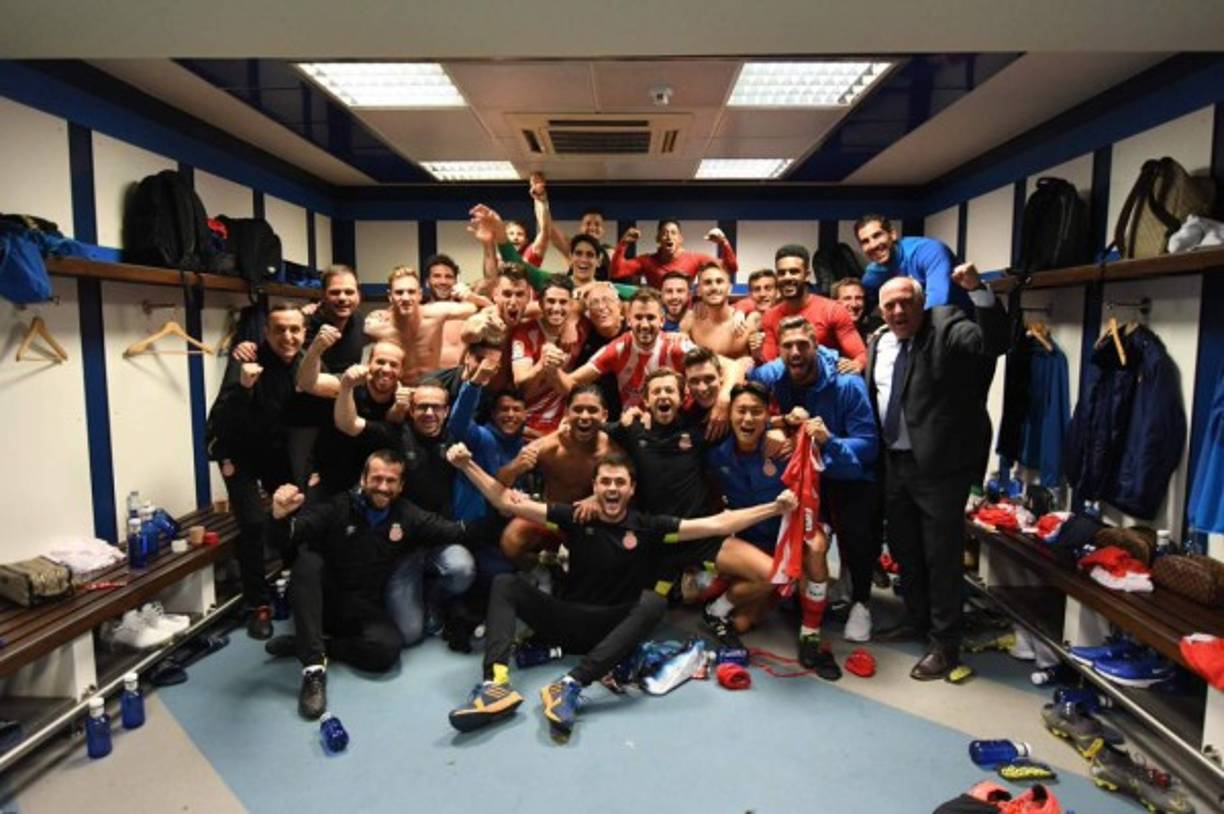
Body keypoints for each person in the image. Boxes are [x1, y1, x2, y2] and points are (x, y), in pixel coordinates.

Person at [444, 443, 796, 736]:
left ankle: (568, 686)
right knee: (505, 583)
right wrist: (466, 465)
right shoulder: (574, 517)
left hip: (614, 628)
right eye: (605, 482)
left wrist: (775, 508)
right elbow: (507, 502)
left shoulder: (650, 527)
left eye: (619, 482)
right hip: (566, 621)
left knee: (653, 603)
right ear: (594, 487)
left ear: (631, 489)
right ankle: (496, 686)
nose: (612, 488)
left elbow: (719, 523)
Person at [867, 268, 1009, 680]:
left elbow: (993, 343)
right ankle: (916, 620)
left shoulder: (947, 325)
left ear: (921, 302)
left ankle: (946, 644)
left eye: (905, 303)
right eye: (889, 305)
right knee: (905, 549)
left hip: (941, 468)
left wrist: (978, 293)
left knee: (941, 557)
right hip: (896, 464)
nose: (898, 311)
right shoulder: (880, 342)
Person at [265, 450, 469, 719]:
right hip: (323, 601)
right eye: (377, 478)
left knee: (387, 651)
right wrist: (278, 517)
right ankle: (313, 669)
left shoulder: (407, 515)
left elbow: (456, 531)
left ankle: (308, 644)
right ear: (363, 478)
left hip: (362, 608)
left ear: (401, 485)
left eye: (391, 481)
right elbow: (288, 537)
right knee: (308, 561)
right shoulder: (337, 507)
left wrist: (506, 511)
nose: (383, 487)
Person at [750, 316, 880, 644]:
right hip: (806, 476)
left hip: (848, 471)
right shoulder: (776, 374)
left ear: (816, 345)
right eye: (787, 347)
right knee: (809, 542)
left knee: (857, 536)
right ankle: (806, 599)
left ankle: (862, 602)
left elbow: (868, 445)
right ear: (778, 350)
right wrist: (776, 423)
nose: (795, 352)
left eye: (802, 345)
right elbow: (746, 384)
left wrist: (828, 440)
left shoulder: (846, 383)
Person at [702, 382, 841, 678]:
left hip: (786, 538)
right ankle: (717, 606)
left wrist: (795, 423)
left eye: (756, 412)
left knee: (814, 548)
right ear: (730, 415)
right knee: (773, 576)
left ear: (768, 416)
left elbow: (805, 436)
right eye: (741, 411)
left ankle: (810, 633)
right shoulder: (716, 455)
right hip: (742, 540)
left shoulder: (785, 448)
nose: (747, 419)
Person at [335, 372, 476, 645]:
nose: (429, 413)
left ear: (447, 411)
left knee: (463, 570)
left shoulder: (457, 438)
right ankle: (411, 593)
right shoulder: (395, 435)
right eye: (422, 406)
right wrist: (346, 387)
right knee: (409, 633)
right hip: (402, 546)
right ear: (410, 409)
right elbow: (348, 423)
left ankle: (433, 599)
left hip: (439, 538)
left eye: (436, 407)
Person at [206, 304, 308, 640]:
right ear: (266, 332)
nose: (288, 336)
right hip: (238, 451)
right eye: (280, 329)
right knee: (252, 523)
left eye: (295, 329)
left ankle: (295, 586)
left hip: (275, 451)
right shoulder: (247, 360)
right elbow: (220, 421)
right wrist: (244, 388)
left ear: (304, 332)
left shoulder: (307, 361)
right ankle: (258, 605)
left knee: (293, 508)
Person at [494, 385, 620, 570]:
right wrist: (515, 467)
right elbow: (500, 480)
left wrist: (598, 498)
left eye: (592, 410)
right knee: (511, 540)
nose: (584, 416)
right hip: (550, 518)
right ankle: (541, 571)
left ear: (604, 415)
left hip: (590, 524)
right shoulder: (548, 447)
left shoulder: (613, 451)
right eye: (578, 409)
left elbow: (630, 491)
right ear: (567, 413)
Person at [297, 332, 405, 498]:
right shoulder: (349, 382)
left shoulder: (403, 400)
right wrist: (316, 349)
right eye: (380, 362)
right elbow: (306, 383)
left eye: (393, 364)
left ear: (402, 371)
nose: (386, 369)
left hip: (373, 486)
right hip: (329, 475)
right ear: (369, 363)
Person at [758, 244, 867, 372]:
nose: (787, 277)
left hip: (825, 384)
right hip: (787, 385)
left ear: (807, 275)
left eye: (794, 271)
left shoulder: (832, 310)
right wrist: (755, 353)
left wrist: (857, 365)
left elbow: (861, 355)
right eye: (782, 273)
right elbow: (769, 365)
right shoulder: (770, 316)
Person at [364, 267, 479, 384]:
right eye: (399, 292)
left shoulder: (436, 313)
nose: (405, 298)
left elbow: (476, 308)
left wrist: (469, 295)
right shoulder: (377, 327)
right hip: (398, 390)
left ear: (420, 294)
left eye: (411, 292)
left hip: (433, 386)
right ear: (390, 296)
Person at [510, 274, 584, 437]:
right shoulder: (525, 332)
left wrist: (572, 322)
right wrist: (542, 364)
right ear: (541, 303)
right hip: (527, 423)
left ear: (571, 304)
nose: (556, 308)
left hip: (564, 426)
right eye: (551, 301)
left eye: (563, 302)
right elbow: (520, 383)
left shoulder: (581, 329)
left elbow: (597, 293)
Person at [856, 214, 973, 314]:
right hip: (914, 329)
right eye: (865, 241)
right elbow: (860, 313)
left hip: (961, 323)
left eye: (877, 235)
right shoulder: (872, 277)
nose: (873, 245)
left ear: (892, 234)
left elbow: (938, 305)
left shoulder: (927, 251)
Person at [460, 264, 534, 391]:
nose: (513, 301)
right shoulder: (486, 317)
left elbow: (565, 305)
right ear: (495, 295)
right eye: (507, 294)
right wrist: (479, 331)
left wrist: (570, 322)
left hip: (507, 399)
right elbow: (468, 332)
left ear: (528, 296)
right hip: (474, 393)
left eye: (519, 294)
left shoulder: (532, 315)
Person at [610, 219, 738, 288]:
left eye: (673, 233)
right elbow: (617, 271)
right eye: (665, 233)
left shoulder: (695, 259)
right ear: (658, 239)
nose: (669, 236)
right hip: (658, 316)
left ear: (680, 239)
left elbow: (731, 268)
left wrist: (724, 243)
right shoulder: (646, 261)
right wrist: (623, 244)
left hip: (685, 316)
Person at [421, 253, 493, 368]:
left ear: (455, 282)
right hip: (429, 378)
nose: (443, 281)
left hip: (460, 377)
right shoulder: (420, 312)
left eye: (448, 277)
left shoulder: (467, 309)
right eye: (437, 276)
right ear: (427, 282)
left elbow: (493, 310)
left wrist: (471, 296)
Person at [681, 261, 759, 358]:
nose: (714, 287)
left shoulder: (748, 320)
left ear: (730, 288)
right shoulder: (689, 320)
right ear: (699, 290)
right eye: (707, 282)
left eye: (719, 281)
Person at [831, 276, 883, 341]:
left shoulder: (877, 328)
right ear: (835, 303)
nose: (854, 304)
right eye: (847, 298)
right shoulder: (828, 334)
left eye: (859, 298)